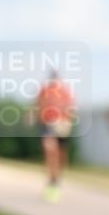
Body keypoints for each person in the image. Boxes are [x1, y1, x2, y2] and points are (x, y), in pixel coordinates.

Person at [36, 71, 76, 203]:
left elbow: (71, 108)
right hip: (48, 126)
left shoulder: (65, 91)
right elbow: (39, 105)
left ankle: (56, 179)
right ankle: (51, 181)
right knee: (50, 152)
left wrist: (67, 121)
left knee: (60, 156)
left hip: (62, 126)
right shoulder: (44, 90)